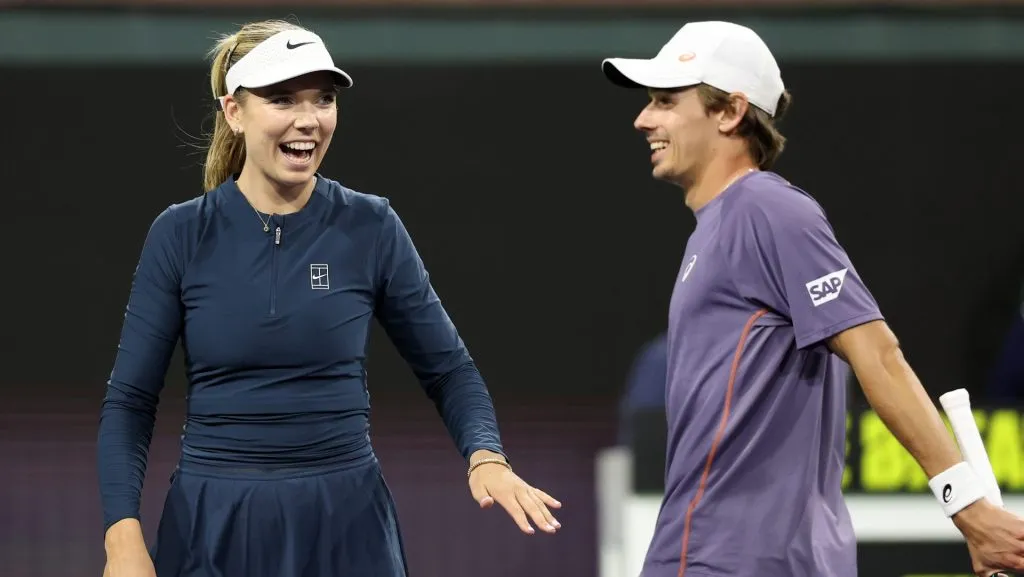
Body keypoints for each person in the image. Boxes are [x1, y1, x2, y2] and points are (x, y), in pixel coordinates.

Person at [96, 19, 560, 577]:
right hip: (212, 524)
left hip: (347, 524)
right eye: (283, 99)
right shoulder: (180, 235)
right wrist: (122, 539)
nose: (309, 119)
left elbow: (449, 370)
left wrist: (485, 456)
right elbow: (129, 402)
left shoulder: (372, 226)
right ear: (234, 113)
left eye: (324, 99)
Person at [600, 20, 1024, 577]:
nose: (643, 118)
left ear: (730, 112)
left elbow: (880, 356)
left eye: (664, 101)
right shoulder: (722, 228)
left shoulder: (763, 211)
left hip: (729, 560)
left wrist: (966, 506)